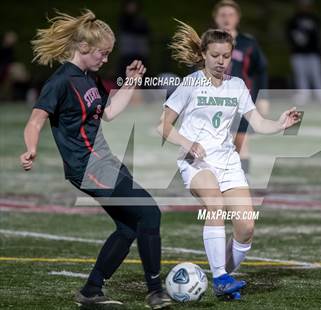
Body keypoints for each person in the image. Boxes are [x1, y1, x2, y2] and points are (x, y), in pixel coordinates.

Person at [19, 10, 171, 309]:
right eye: (102, 53)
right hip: (87, 167)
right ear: (84, 48)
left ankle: (91, 291)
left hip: (105, 161)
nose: (105, 59)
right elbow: (36, 120)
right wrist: (30, 149)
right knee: (150, 213)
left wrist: (130, 83)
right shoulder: (61, 81)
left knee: (129, 228)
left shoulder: (90, 77)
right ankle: (156, 291)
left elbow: (110, 113)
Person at [158, 20, 300, 300]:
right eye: (215, 56)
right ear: (203, 54)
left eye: (226, 56)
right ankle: (221, 277)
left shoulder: (237, 86)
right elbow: (162, 126)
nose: (221, 62)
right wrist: (188, 143)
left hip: (228, 162)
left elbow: (258, 123)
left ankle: (222, 278)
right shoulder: (190, 83)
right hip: (195, 162)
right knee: (215, 203)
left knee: (246, 227)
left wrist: (280, 124)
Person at [213, 0, 269, 175]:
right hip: (214, 100)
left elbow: (260, 70)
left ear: (237, 18)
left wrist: (263, 97)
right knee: (217, 143)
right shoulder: (207, 42)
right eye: (222, 15)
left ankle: (243, 183)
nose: (226, 19)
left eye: (231, 15)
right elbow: (195, 70)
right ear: (215, 17)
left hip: (241, 101)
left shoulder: (247, 43)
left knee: (242, 142)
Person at [286, 0, 321, 100]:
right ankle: (304, 95)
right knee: (300, 75)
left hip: (314, 52)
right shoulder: (294, 20)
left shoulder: (315, 19)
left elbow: (319, 36)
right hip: (298, 53)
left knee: (317, 74)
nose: (305, 7)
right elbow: (289, 35)